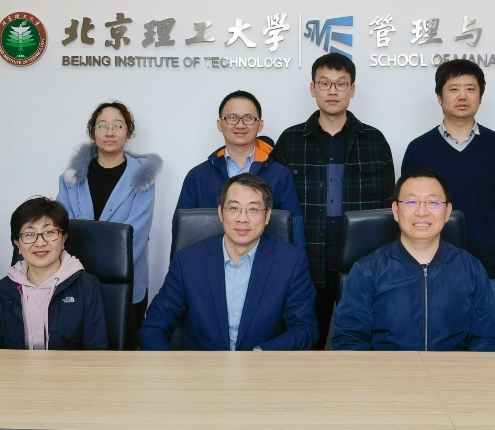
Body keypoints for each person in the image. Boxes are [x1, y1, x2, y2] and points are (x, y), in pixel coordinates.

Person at [272, 52, 395, 349]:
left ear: (352, 90)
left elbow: (389, 206)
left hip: (363, 265)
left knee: (366, 346)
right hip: (306, 265)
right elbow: (275, 208)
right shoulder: (290, 140)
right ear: (312, 88)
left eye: (341, 84)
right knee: (305, 345)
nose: (332, 91)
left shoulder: (374, 140)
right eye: (324, 83)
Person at [140, 173, 317, 351]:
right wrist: (169, 365)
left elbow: (305, 329)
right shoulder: (187, 261)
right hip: (202, 366)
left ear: (267, 216)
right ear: (220, 212)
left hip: (263, 365)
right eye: (233, 208)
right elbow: (154, 326)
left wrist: (260, 355)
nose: (242, 218)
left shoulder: (291, 262)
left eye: (253, 209)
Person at [331, 169, 495, 351]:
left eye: (433, 202)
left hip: (454, 369)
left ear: (447, 212)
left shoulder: (471, 269)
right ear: (396, 211)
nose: (422, 212)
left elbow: (486, 339)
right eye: (411, 202)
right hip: (386, 369)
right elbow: (349, 341)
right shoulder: (366, 271)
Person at [400, 59, 495, 299]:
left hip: (483, 263)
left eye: (470, 89)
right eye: (453, 89)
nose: (462, 96)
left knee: (482, 323)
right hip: (427, 263)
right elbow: (406, 205)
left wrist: (487, 230)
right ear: (439, 97)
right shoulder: (418, 149)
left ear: (481, 96)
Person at [57, 101, 161, 349]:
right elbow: (63, 227)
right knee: (78, 353)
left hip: (125, 283)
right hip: (77, 279)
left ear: (129, 132)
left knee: (124, 354)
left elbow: (135, 236)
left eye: (118, 126)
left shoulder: (143, 177)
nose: (110, 132)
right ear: (93, 132)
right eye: (102, 126)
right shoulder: (71, 177)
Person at [175, 90, 305, 248]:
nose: (240, 124)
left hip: (266, 261)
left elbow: (294, 233)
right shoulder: (197, 177)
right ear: (219, 124)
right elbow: (183, 235)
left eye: (248, 118)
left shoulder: (280, 175)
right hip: (208, 260)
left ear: (260, 125)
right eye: (232, 117)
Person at [0, 197, 107, 350]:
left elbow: (95, 353)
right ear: (17, 244)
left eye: (49, 232)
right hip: (13, 367)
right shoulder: (1, 291)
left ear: (63, 239)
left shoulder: (87, 287)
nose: (40, 243)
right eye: (29, 234)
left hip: (70, 367)